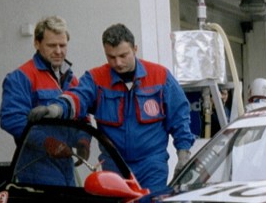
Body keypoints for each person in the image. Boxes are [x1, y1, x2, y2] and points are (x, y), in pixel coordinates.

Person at [30, 23, 195, 193]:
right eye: (111, 57)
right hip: (113, 166)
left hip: (152, 166)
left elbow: (180, 118)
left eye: (123, 55)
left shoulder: (160, 77)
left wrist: (183, 156)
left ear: (135, 49)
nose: (118, 63)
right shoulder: (96, 79)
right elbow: (78, 98)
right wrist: (55, 109)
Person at [0, 15, 89, 186]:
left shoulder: (71, 79)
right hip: (35, 166)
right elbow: (11, 119)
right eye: (51, 45)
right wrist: (47, 143)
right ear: (37, 43)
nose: (58, 51)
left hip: (66, 165)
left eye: (62, 45)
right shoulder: (21, 77)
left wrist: (84, 141)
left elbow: (82, 112)